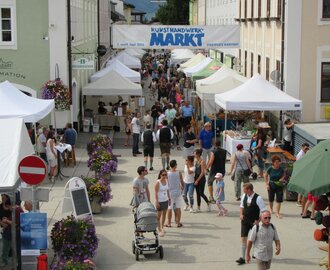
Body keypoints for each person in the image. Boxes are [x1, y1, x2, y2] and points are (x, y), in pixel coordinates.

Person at [236, 183, 267, 265]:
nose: (243, 191)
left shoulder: (258, 198)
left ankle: (255, 253)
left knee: (255, 239)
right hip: (245, 220)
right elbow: (242, 206)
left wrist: (259, 220)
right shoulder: (244, 196)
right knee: (243, 238)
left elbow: (264, 211)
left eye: (244, 189)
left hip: (254, 221)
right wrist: (241, 214)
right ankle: (242, 257)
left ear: (249, 190)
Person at [166, 160, 184, 228]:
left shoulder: (167, 173)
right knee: (178, 207)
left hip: (170, 192)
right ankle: (178, 222)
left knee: (169, 208)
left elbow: (167, 183)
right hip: (178, 192)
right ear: (175, 165)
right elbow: (182, 182)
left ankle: (169, 223)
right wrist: (182, 188)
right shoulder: (178, 173)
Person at [155, 169, 170, 237]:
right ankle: (159, 229)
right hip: (160, 201)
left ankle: (162, 227)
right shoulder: (158, 182)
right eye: (163, 175)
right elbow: (155, 192)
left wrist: (169, 198)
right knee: (158, 216)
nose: (164, 176)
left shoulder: (167, 181)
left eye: (165, 175)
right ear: (160, 175)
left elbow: (167, 190)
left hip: (165, 200)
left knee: (164, 214)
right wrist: (157, 202)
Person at [295, 143, 309, 208]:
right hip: (301, 172)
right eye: (306, 148)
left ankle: (300, 200)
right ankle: (299, 201)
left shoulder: (305, 153)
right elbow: (298, 164)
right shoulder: (300, 155)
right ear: (302, 147)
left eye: (307, 148)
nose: (307, 149)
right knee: (301, 187)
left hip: (304, 172)